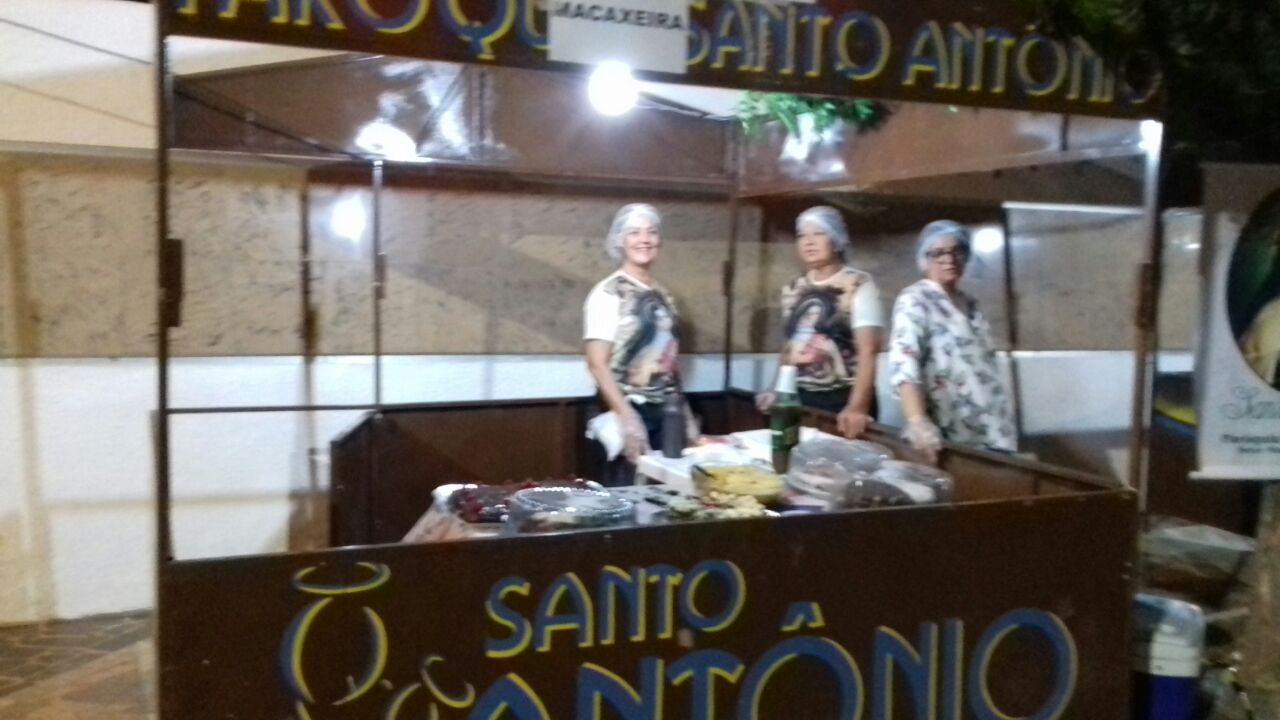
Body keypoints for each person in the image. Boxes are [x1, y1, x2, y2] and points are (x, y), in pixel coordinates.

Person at [583, 203, 698, 484]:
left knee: (664, 495)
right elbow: (596, 364)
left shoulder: (664, 296)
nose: (644, 239)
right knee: (626, 496)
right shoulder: (607, 293)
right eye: (634, 232)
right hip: (622, 410)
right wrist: (628, 419)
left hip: (665, 413)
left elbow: (668, 362)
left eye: (651, 232)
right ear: (620, 241)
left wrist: (685, 415)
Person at [888, 220, 1016, 463]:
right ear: (923, 260)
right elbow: (904, 364)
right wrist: (917, 422)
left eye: (957, 251)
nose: (949, 259)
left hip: (993, 429)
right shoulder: (915, 299)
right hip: (952, 433)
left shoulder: (970, 303)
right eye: (938, 253)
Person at [755, 206, 884, 438]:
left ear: (836, 240)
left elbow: (869, 350)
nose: (809, 242)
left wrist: (856, 407)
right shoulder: (793, 288)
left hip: (843, 397)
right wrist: (776, 389)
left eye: (818, 233)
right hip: (799, 396)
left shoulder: (858, 284)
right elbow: (789, 348)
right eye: (802, 235)